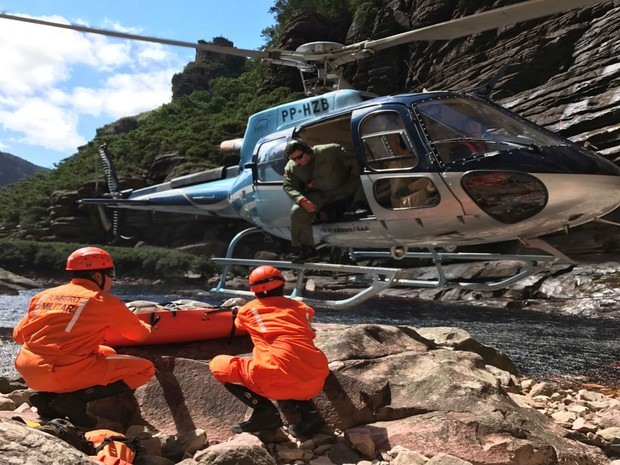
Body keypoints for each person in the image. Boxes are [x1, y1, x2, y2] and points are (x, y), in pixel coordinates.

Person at [13, 246, 156, 427]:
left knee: (106, 351)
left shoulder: (43, 296)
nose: (112, 278)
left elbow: (18, 336)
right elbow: (138, 335)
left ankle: (47, 397)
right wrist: (148, 325)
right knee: (146, 369)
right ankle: (74, 400)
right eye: (111, 273)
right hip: (63, 371)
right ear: (97, 276)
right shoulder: (102, 301)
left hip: (29, 370)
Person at [209, 265, 329, 437]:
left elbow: (239, 324)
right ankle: (310, 414)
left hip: (273, 381)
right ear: (282, 286)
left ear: (254, 292)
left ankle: (264, 411)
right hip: (316, 379)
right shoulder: (303, 308)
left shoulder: (248, 310)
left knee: (218, 365)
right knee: (295, 359)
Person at [283, 138, 366, 262]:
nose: (297, 161)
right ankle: (308, 249)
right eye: (293, 159)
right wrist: (301, 200)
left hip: (345, 186)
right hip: (321, 194)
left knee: (365, 178)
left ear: (307, 150)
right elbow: (288, 186)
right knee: (297, 211)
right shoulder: (292, 167)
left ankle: (359, 204)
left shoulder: (330, 150)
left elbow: (358, 158)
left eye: (299, 157)